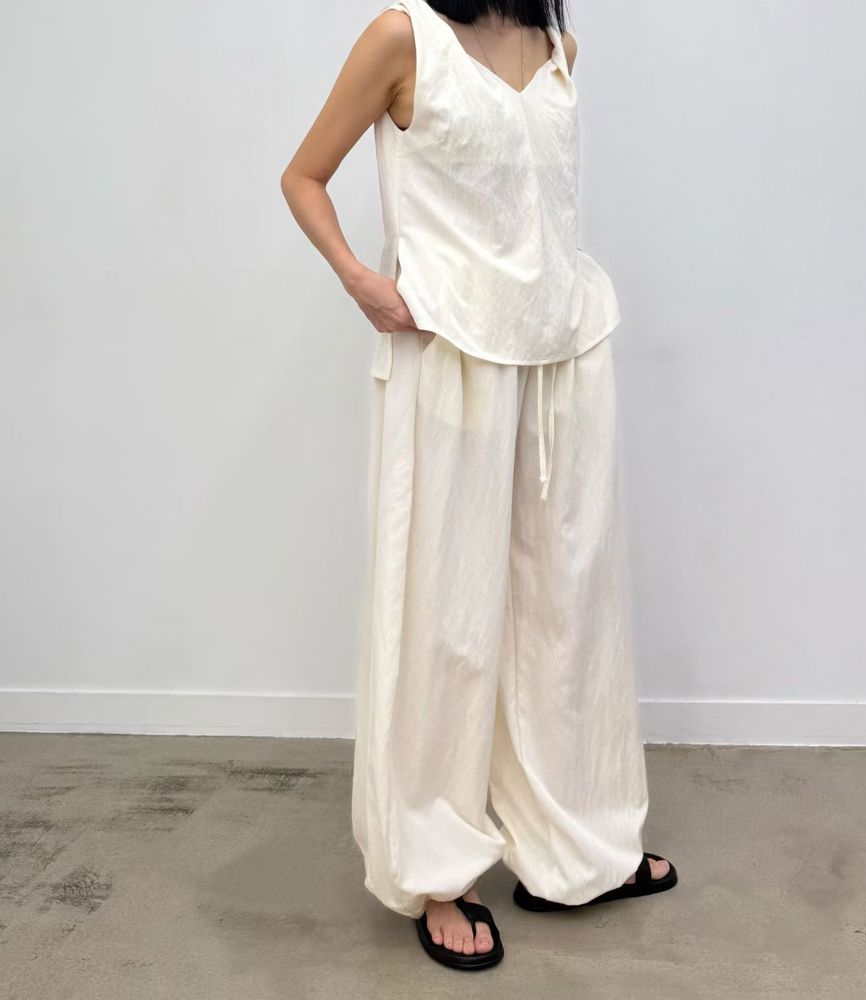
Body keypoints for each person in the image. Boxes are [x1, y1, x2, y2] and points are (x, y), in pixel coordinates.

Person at [280, 0, 677, 972]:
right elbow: (303, 175)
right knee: (448, 622)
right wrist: (361, 280)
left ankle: (577, 848)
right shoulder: (401, 37)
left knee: (570, 613)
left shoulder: (558, 50)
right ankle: (437, 871)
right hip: (452, 358)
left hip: (564, 361)